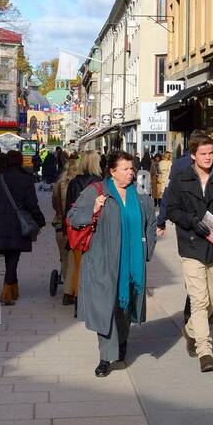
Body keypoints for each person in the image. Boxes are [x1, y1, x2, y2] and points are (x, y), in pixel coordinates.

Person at [70, 150, 156, 377]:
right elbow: (73, 217)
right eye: (125, 169)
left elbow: (150, 222)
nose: (131, 173)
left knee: (125, 306)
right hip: (103, 262)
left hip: (131, 263)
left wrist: (147, 250)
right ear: (112, 171)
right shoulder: (96, 192)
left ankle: (123, 340)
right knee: (105, 308)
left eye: (132, 169)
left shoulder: (139, 195)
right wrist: (94, 209)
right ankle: (106, 357)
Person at [164, 134, 213, 372]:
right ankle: (205, 350)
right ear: (193, 155)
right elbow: (172, 209)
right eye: (203, 153)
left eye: (211, 153)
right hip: (192, 245)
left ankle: (191, 329)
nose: (208, 157)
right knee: (199, 299)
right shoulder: (180, 178)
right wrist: (192, 221)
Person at [0, 149, 45, 306]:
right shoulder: (26, 179)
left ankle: (13, 287)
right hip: (18, 223)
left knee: (10, 255)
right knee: (13, 254)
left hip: (0, 222)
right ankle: (7, 290)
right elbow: (32, 204)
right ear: (21, 161)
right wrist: (40, 220)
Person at [58, 150, 103, 305]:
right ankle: (81, 298)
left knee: (76, 263)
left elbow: (68, 209)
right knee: (91, 265)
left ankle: (72, 295)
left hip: (77, 228)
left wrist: (66, 229)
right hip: (95, 228)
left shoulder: (74, 182)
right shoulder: (100, 182)